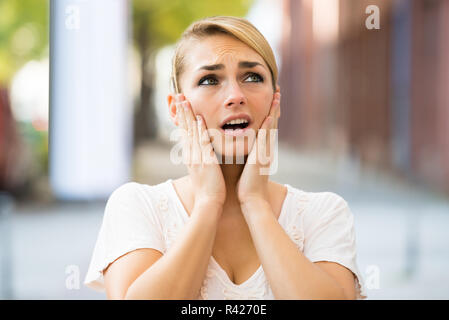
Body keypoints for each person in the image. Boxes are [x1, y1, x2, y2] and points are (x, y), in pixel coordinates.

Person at [84, 16, 366, 300]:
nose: (235, 96)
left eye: (252, 77)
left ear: (275, 99)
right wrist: (208, 201)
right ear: (175, 107)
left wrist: (255, 203)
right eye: (210, 80)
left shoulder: (324, 213)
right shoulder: (136, 206)